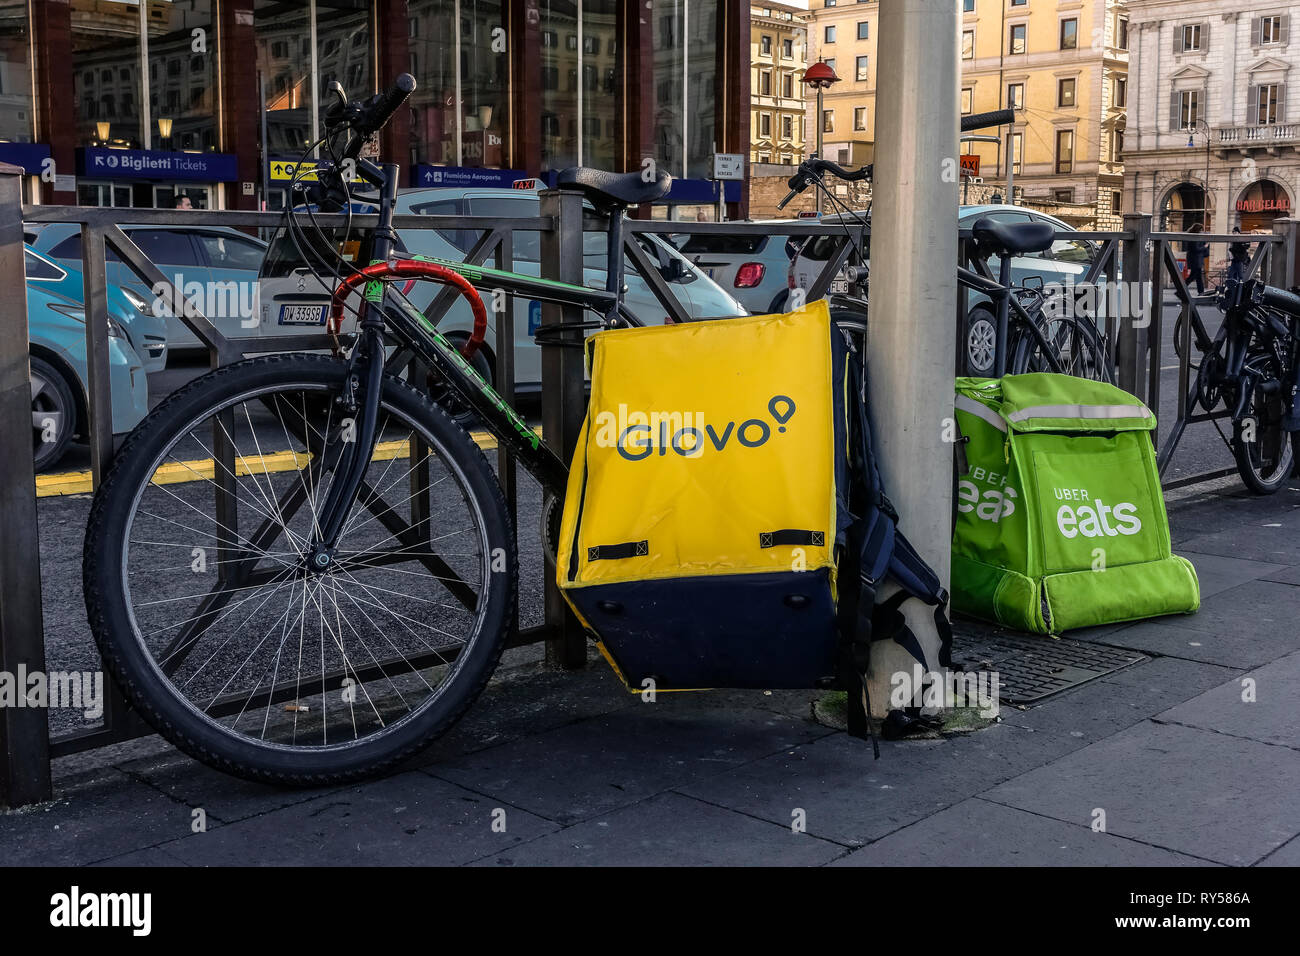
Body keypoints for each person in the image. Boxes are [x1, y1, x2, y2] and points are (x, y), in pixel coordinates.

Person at [1185, 222, 1208, 296]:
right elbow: (1196, 249)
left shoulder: (1195, 237)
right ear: (1198, 230)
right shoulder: (1194, 238)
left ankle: (1200, 292)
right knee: (1194, 277)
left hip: (1196, 260)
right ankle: (1181, 289)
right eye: (1201, 230)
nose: (1202, 232)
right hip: (1195, 260)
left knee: (1197, 277)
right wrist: (1205, 246)